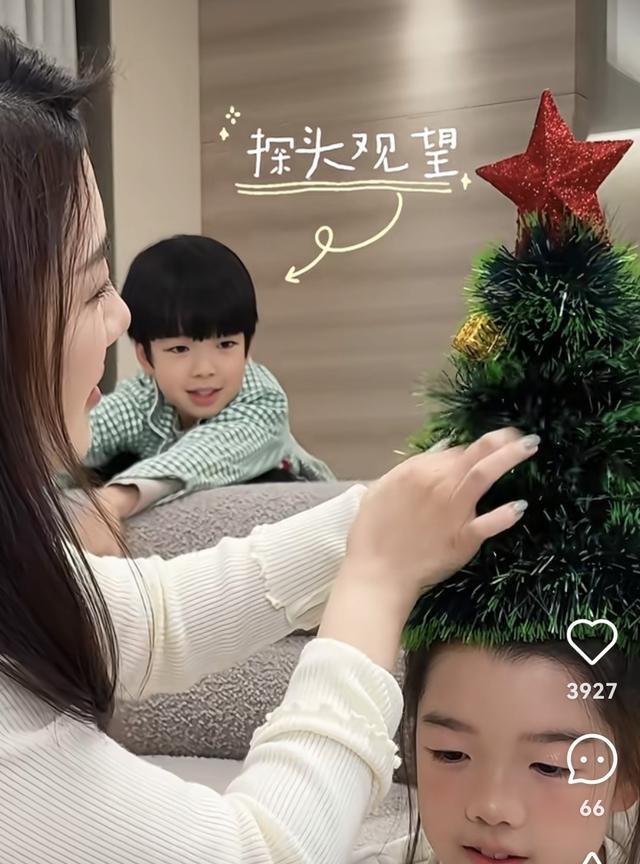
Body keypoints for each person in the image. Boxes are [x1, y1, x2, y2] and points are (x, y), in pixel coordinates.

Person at [0, 29, 537, 864]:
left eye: (223, 344)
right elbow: (256, 852)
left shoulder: (259, 400)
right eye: (94, 284)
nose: (120, 317)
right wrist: (375, 580)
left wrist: (377, 516)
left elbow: (154, 616)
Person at [67, 233, 335, 551]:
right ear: (145, 358)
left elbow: (204, 455)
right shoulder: (142, 397)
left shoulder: (263, 399)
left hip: (296, 527)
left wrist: (111, 501)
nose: (205, 369)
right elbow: (77, 436)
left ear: (247, 346)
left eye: (226, 344)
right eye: (180, 349)